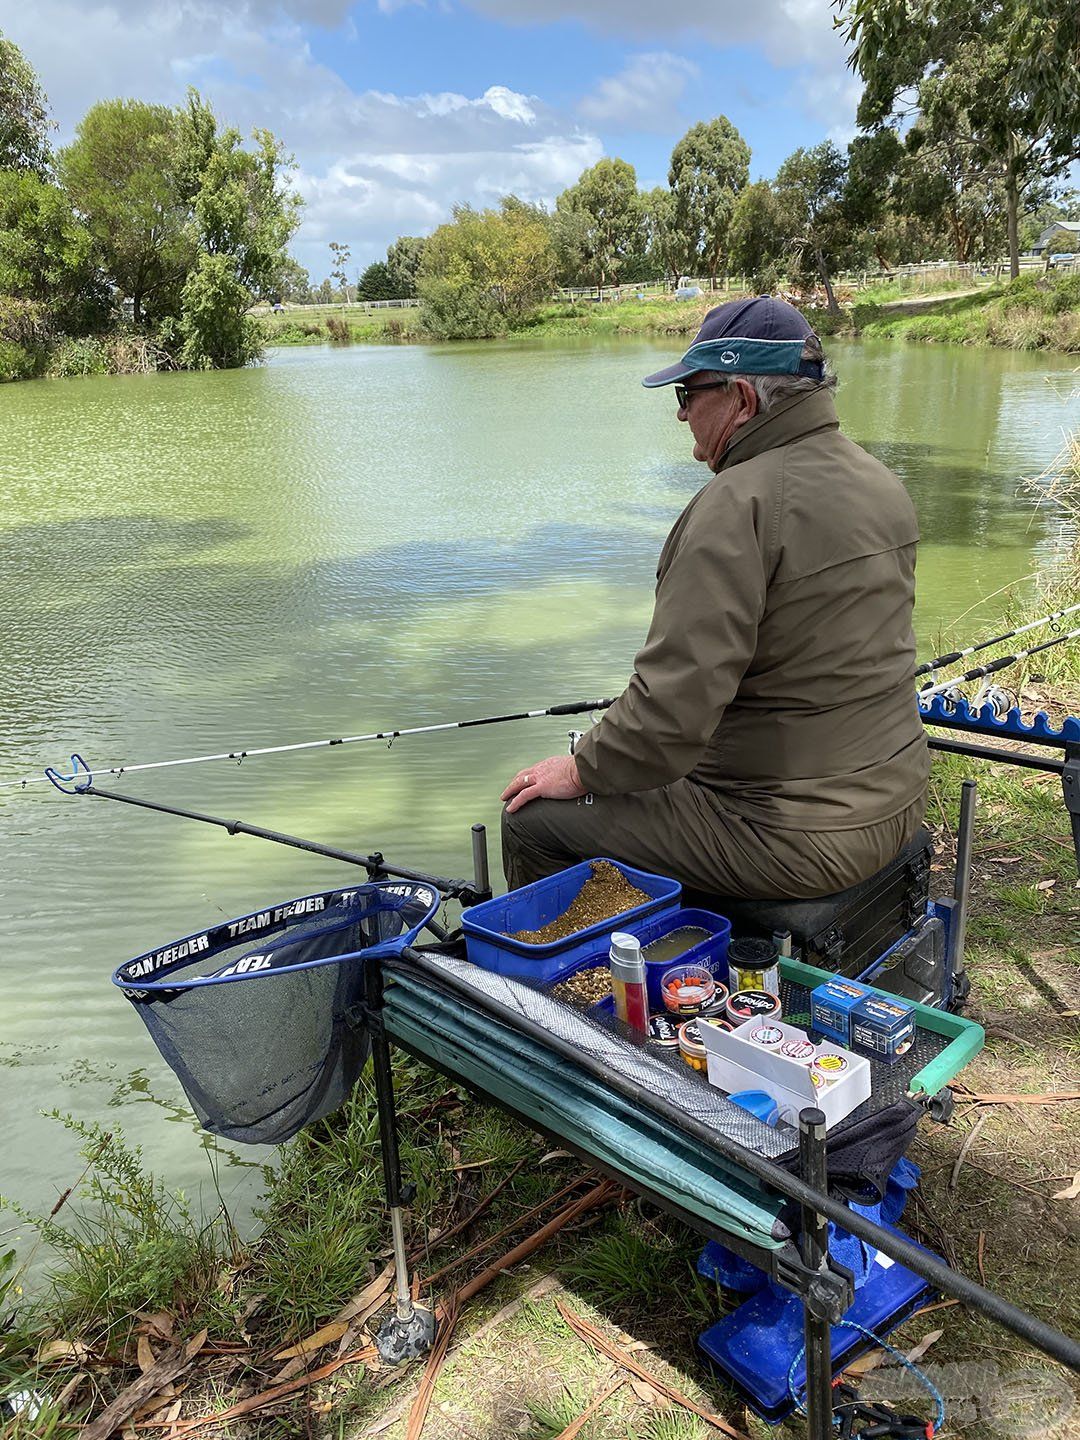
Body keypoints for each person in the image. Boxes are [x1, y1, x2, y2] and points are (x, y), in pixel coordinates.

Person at [500, 296, 929, 899]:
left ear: (742, 400)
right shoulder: (879, 481)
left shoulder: (736, 506)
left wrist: (581, 767)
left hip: (795, 835)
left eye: (687, 395)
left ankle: (566, 991)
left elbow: (666, 719)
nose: (681, 416)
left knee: (534, 819)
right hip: (899, 800)